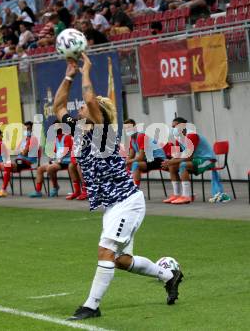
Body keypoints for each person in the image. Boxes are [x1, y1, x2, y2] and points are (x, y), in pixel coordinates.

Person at [53, 53, 183, 321]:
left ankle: (91, 305)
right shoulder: (80, 129)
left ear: (97, 113)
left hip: (126, 202)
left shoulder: (104, 134)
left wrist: (86, 70)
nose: (80, 109)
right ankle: (169, 275)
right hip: (113, 206)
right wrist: (69, 75)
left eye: (86, 108)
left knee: (105, 251)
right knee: (119, 260)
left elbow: (89, 99)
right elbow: (58, 107)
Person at [162, 117, 219, 204]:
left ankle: (187, 196)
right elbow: (177, 155)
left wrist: (171, 161)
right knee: (172, 166)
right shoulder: (177, 138)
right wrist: (168, 162)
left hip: (207, 159)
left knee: (183, 165)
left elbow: (189, 157)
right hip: (195, 160)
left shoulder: (192, 135)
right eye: (172, 127)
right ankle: (177, 195)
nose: (173, 129)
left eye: (175, 126)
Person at [0, 121, 39, 198]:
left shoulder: (33, 139)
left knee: (7, 165)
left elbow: (23, 153)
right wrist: (21, 150)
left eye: (28, 129)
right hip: (19, 161)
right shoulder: (24, 140)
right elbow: (17, 151)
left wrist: (21, 150)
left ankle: (3, 190)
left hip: (27, 163)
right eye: (25, 129)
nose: (26, 131)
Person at [29, 127, 73, 198]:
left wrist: (56, 160)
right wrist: (52, 159)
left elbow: (65, 151)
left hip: (66, 161)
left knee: (50, 168)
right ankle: (38, 191)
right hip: (58, 161)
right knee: (40, 169)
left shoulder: (67, 137)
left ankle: (55, 187)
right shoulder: (56, 139)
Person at [123, 119, 167, 187]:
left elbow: (141, 157)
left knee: (135, 164)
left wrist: (128, 161)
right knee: (127, 166)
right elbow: (131, 155)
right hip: (149, 160)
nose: (128, 130)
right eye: (126, 128)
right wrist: (124, 162)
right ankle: (129, 187)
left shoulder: (141, 136)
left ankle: (136, 189)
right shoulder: (132, 140)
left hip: (159, 159)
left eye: (129, 127)